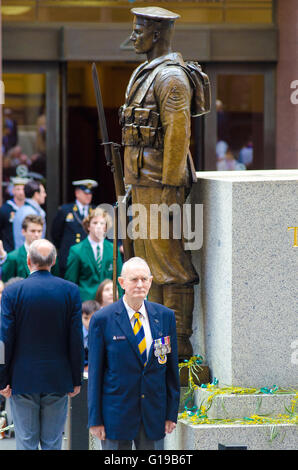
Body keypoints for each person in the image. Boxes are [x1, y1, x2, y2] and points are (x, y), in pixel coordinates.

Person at [119, 6, 201, 358]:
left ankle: (179, 345)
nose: (134, 36)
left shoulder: (172, 79)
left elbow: (178, 137)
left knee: (170, 266)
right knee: (144, 262)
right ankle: (155, 341)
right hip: (140, 183)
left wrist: (169, 191)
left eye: (139, 30)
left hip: (160, 187)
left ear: (157, 33)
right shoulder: (144, 73)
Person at [0, 239, 84, 450]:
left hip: (22, 377)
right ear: (54, 261)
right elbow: (75, 338)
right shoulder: (70, 291)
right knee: (53, 442)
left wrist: (2, 378)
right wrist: (76, 377)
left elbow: (4, 338)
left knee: (26, 442)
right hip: (58, 378)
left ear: (28, 261)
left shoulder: (12, 292)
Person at [88, 256, 180, 450]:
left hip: (153, 415)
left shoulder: (165, 317)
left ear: (151, 281)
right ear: (122, 282)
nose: (140, 284)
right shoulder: (103, 319)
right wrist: (95, 419)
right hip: (116, 415)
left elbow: (171, 371)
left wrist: (171, 413)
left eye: (144, 279)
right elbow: (96, 373)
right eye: (134, 279)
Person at [65, 207, 123, 302]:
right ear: (88, 226)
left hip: (109, 302)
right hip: (86, 303)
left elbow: (119, 278)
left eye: (102, 223)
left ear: (106, 227)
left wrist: (119, 301)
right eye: (95, 223)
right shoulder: (76, 250)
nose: (98, 226)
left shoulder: (113, 249)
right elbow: (71, 282)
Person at [51, 179, 98, 277]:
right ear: (77, 193)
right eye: (85, 193)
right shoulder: (66, 210)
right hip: (69, 256)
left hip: (88, 257)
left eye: (90, 193)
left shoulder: (95, 211)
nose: (88, 196)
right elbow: (56, 234)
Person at [1, 214, 59, 282]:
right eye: (33, 231)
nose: (36, 235)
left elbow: (56, 280)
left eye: (39, 231)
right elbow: (7, 285)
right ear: (23, 232)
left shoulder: (50, 255)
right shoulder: (13, 257)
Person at [13, 180, 47, 249]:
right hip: (29, 255)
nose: (45, 195)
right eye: (43, 192)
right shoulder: (30, 213)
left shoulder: (23, 210)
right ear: (36, 194)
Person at [0, 177, 28, 253]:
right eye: (18, 189)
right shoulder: (5, 209)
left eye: (23, 189)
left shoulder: (29, 208)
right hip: (9, 250)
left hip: (26, 250)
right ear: (13, 191)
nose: (21, 192)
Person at [81, 300, 100, 368]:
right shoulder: (78, 334)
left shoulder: (102, 333)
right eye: (86, 318)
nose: (89, 322)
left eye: (92, 318)